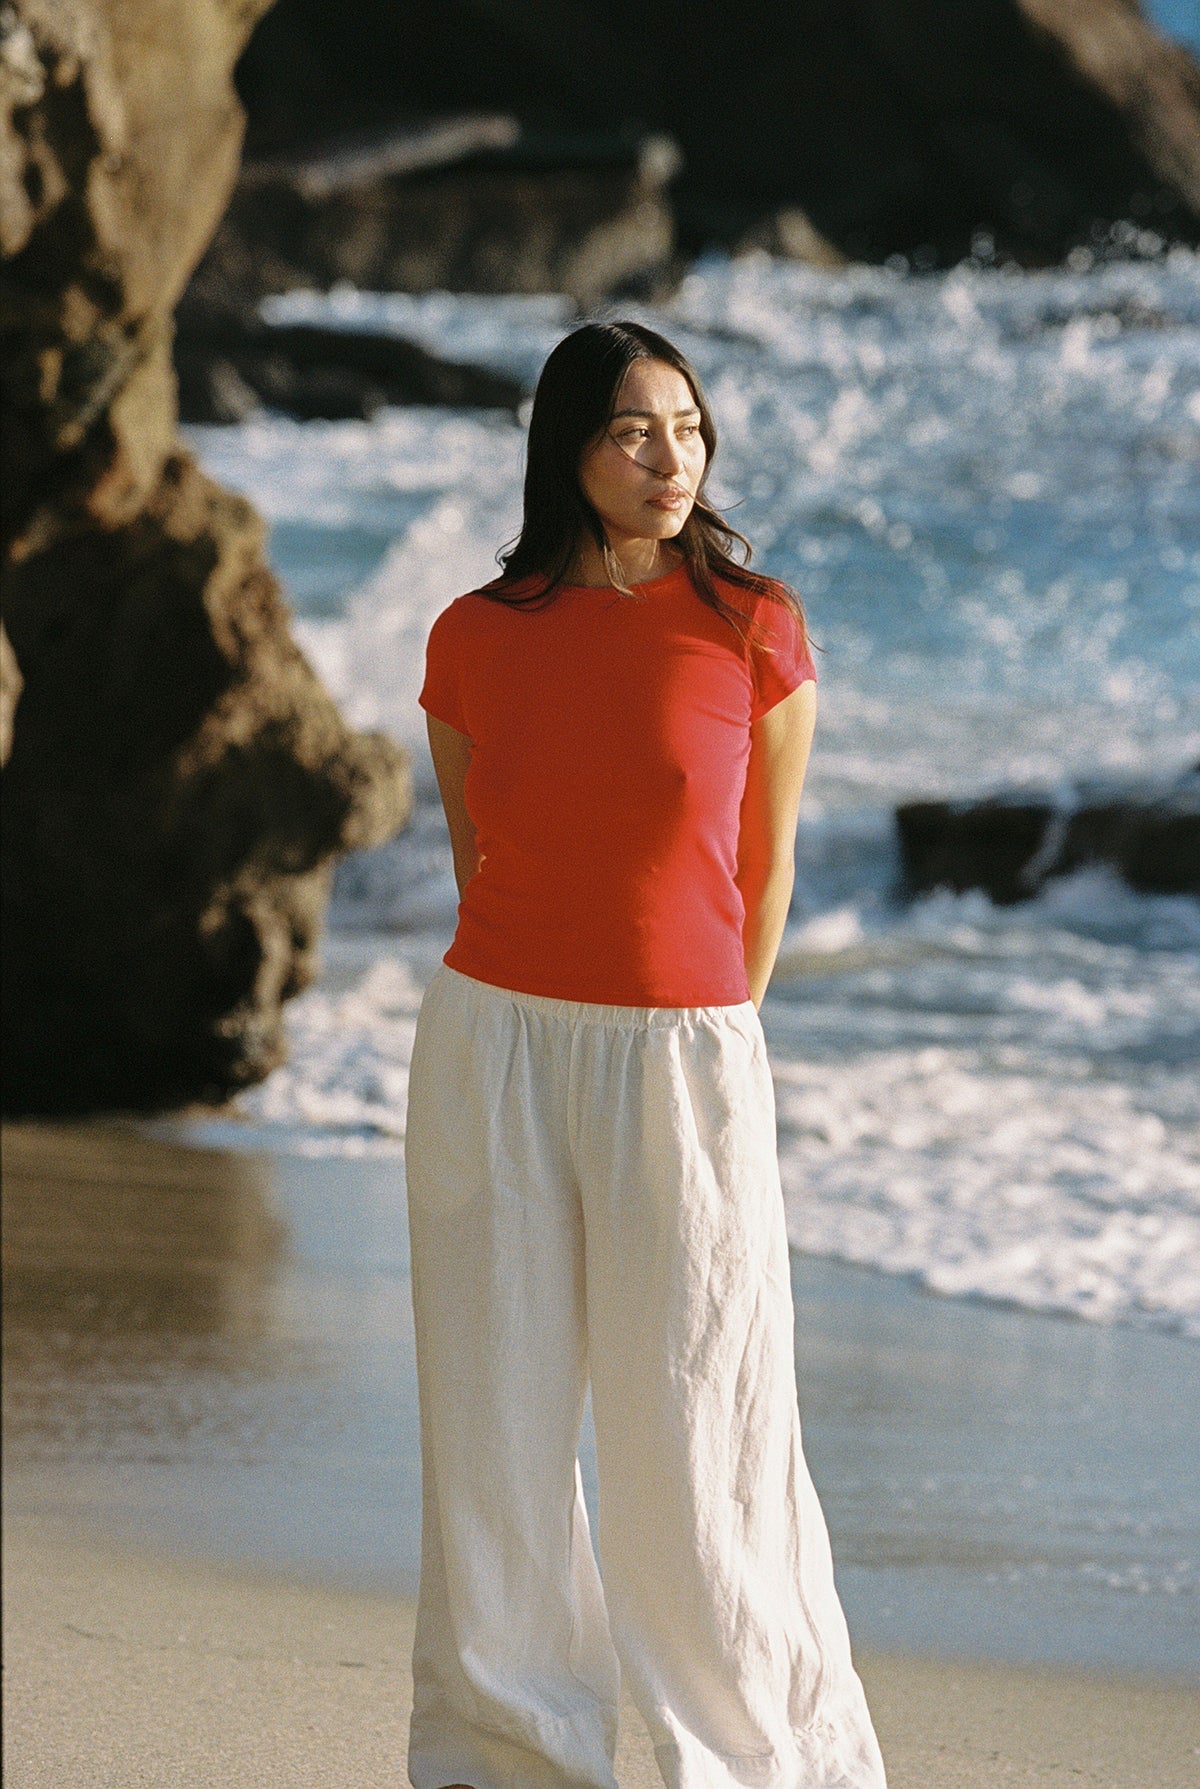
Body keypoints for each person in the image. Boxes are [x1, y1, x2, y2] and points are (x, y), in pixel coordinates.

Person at [405, 320, 887, 1789]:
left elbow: (766, 867)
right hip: (497, 1043)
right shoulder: (472, 636)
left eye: (686, 424)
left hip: (684, 1055)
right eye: (632, 429)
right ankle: (503, 1756)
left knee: (701, 1433)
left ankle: (743, 1760)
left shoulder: (754, 624)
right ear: (568, 447)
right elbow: (480, 849)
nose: (670, 455)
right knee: (496, 1422)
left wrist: (704, 1031)